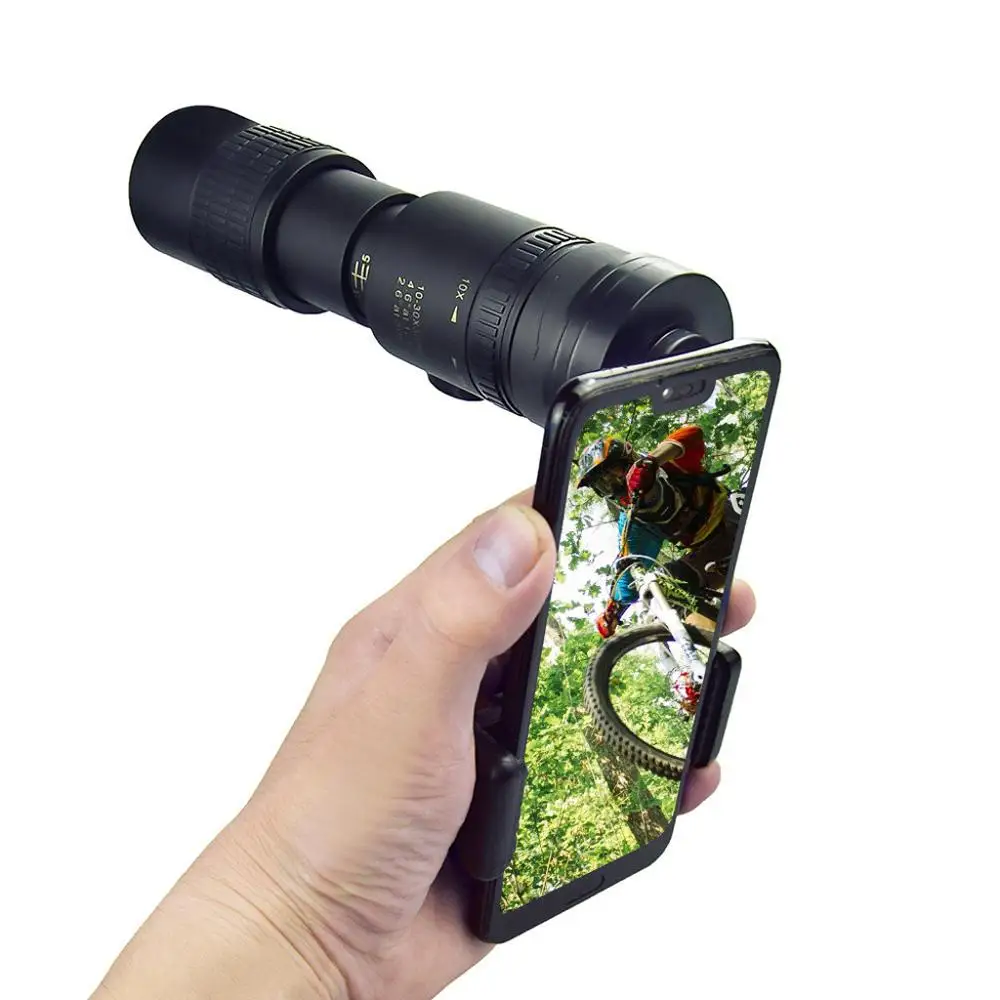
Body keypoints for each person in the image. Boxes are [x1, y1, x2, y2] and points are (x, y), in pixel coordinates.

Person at [90, 491, 756, 1000]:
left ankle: (677, 667)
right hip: (636, 578)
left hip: (685, 545)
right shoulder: (630, 514)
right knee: (631, 611)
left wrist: (306, 929)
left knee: (700, 602)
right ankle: (666, 668)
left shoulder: (670, 475)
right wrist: (308, 926)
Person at [575, 426, 739, 637]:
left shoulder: (670, 464)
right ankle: (709, 641)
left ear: (629, 460)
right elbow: (629, 572)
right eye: (603, 485)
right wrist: (612, 612)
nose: (613, 485)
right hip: (711, 555)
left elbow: (693, 433)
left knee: (738, 502)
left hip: (732, 516)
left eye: (613, 474)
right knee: (666, 584)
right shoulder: (634, 521)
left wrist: (651, 462)